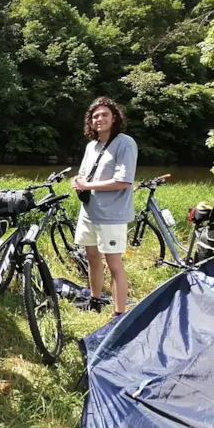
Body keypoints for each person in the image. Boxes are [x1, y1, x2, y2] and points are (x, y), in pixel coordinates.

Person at [71, 96, 137, 318]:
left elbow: (123, 181)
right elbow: (84, 174)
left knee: (114, 263)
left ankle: (119, 314)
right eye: (95, 116)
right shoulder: (92, 146)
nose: (99, 119)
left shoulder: (125, 143)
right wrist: (77, 181)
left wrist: (87, 185)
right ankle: (95, 300)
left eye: (104, 115)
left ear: (115, 117)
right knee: (92, 257)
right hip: (89, 212)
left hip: (112, 216)